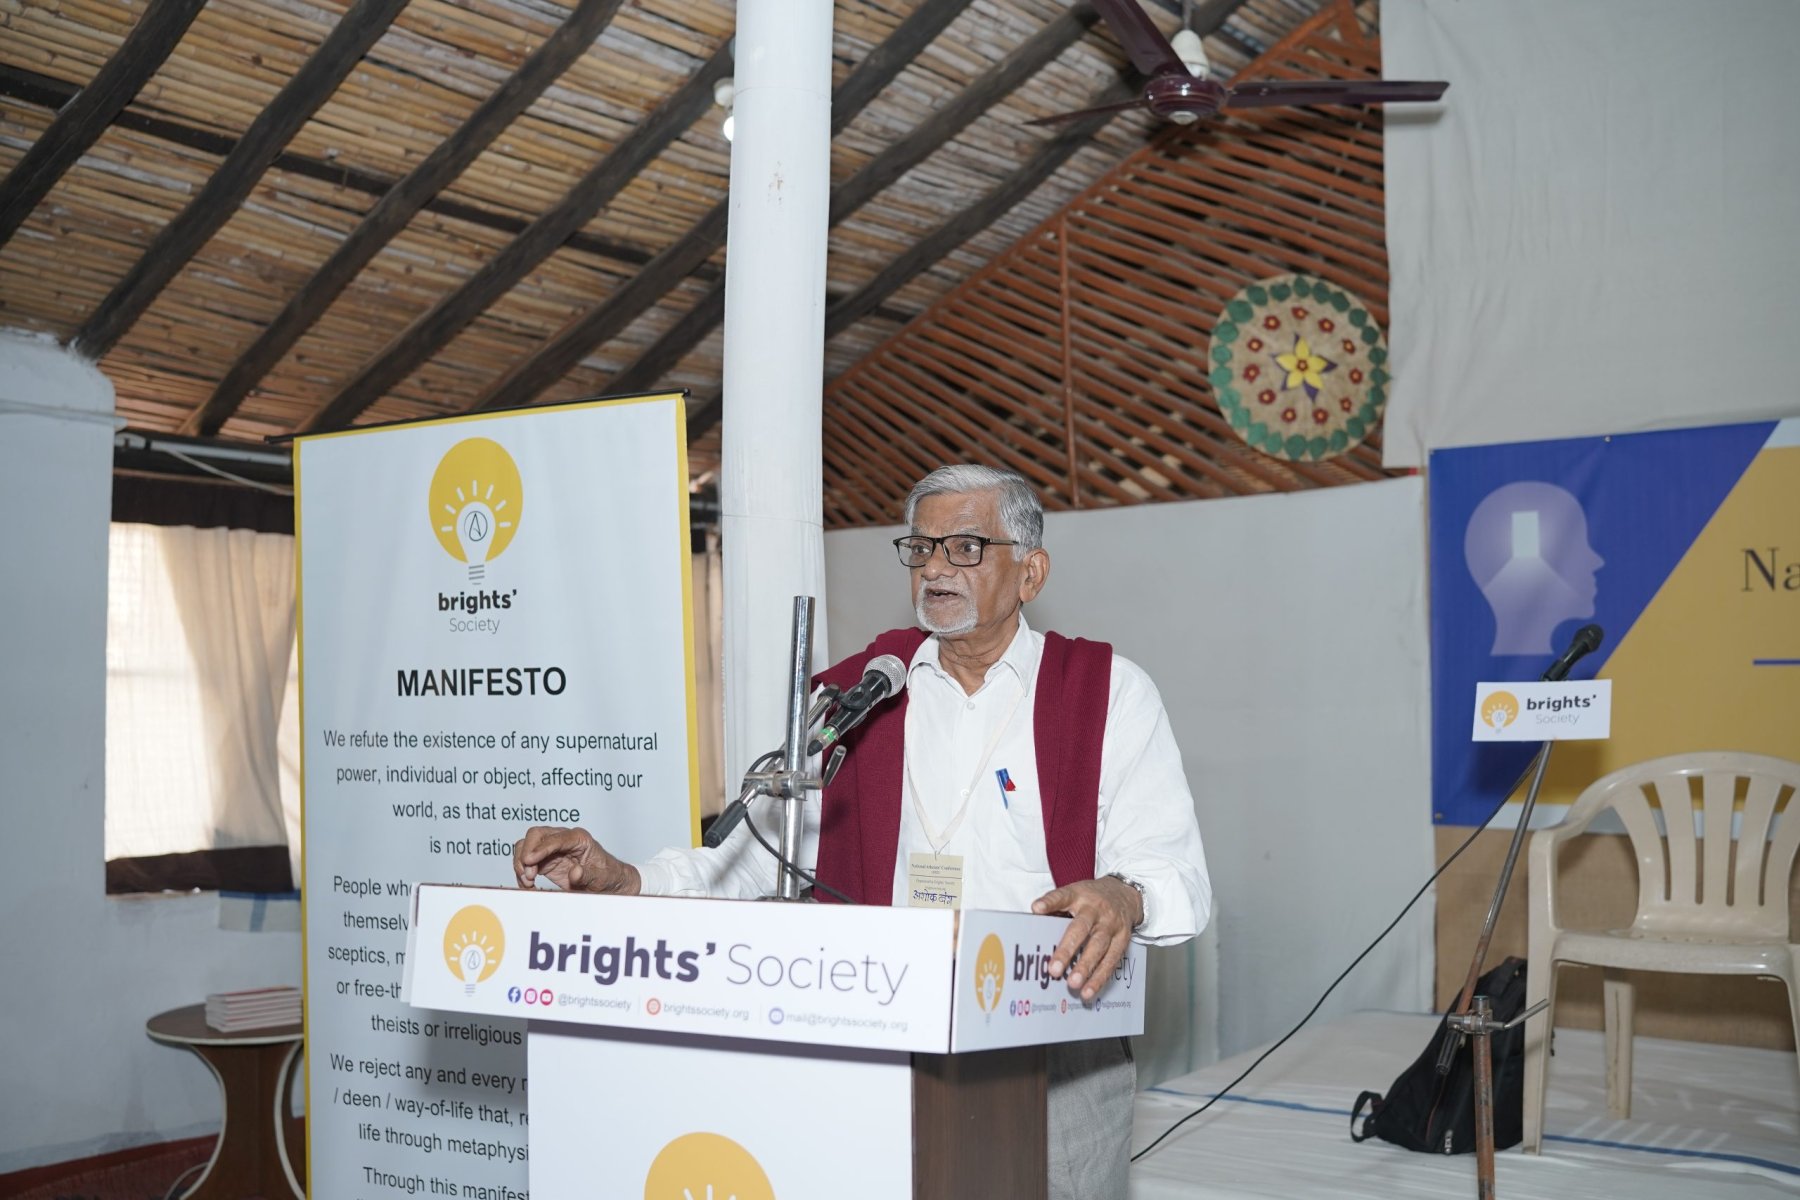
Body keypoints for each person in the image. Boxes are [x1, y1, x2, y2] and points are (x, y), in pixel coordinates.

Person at [514, 464, 1211, 1199]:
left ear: (1030, 572)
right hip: (880, 1037)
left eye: (965, 547)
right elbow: (757, 858)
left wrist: (1123, 895)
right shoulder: (857, 695)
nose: (935, 567)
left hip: (1051, 1051)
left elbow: (1178, 877)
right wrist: (629, 881)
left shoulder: (1105, 691)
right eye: (921, 548)